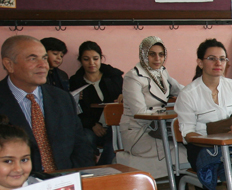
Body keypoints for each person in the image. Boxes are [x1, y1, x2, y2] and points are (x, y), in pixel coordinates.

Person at [0, 35, 95, 173]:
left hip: (64, 181)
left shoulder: (62, 98)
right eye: (33, 59)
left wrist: (73, 179)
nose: (44, 65)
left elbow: (81, 148)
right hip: (17, 182)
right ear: (9, 64)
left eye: (44, 58)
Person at [174, 39, 232, 190]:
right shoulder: (188, 94)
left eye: (222, 59)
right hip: (201, 146)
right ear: (200, 63)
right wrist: (212, 140)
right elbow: (188, 134)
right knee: (208, 161)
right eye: (212, 58)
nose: (218, 63)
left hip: (230, 143)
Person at [118, 37, 184, 179]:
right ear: (143, 54)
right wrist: (165, 113)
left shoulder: (162, 72)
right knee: (181, 151)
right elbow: (139, 112)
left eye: (161, 54)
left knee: (188, 145)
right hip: (138, 133)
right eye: (152, 54)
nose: (157, 59)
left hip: (159, 130)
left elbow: (181, 90)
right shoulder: (133, 77)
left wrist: (202, 92)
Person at [69, 41, 123, 166]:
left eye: (95, 58)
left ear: (101, 58)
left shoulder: (114, 77)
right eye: (86, 59)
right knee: (85, 138)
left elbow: (124, 100)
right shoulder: (75, 82)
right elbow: (75, 111)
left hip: (114, 124)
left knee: (115, 138)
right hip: (89, 126)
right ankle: (89, 169)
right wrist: (92, 124)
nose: (91, 63)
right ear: (80, 61)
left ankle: (102, 169)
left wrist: (123, 95)